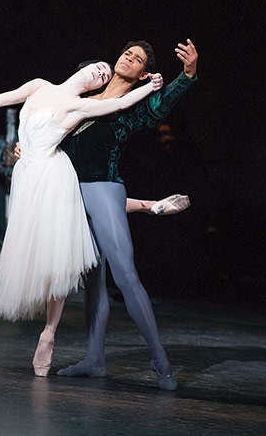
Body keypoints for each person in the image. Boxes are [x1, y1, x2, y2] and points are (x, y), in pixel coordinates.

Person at [0, 61, 166, 375]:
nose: (101, 74)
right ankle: (145, 205)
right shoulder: (39, 86)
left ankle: (49, 333)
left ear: (94, 87)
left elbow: (119, 102)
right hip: (27, 176)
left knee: (57, 256)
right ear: (84, 69)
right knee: (43, 246)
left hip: (52, 173)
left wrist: (150, 87)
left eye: (103, 76)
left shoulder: (81, 106)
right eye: (99, 68)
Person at [45, 39, 198, 391]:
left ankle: (160, 360)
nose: (128, 58)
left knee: (125, 275)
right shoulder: (82, 100)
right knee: (93, 282)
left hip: (104, 188)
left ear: (143, 73)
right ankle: (94, 360)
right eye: (127, 52)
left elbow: (161, 105)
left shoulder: (134, 107)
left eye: (138, 59)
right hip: (68, 191)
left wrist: (187, 75)